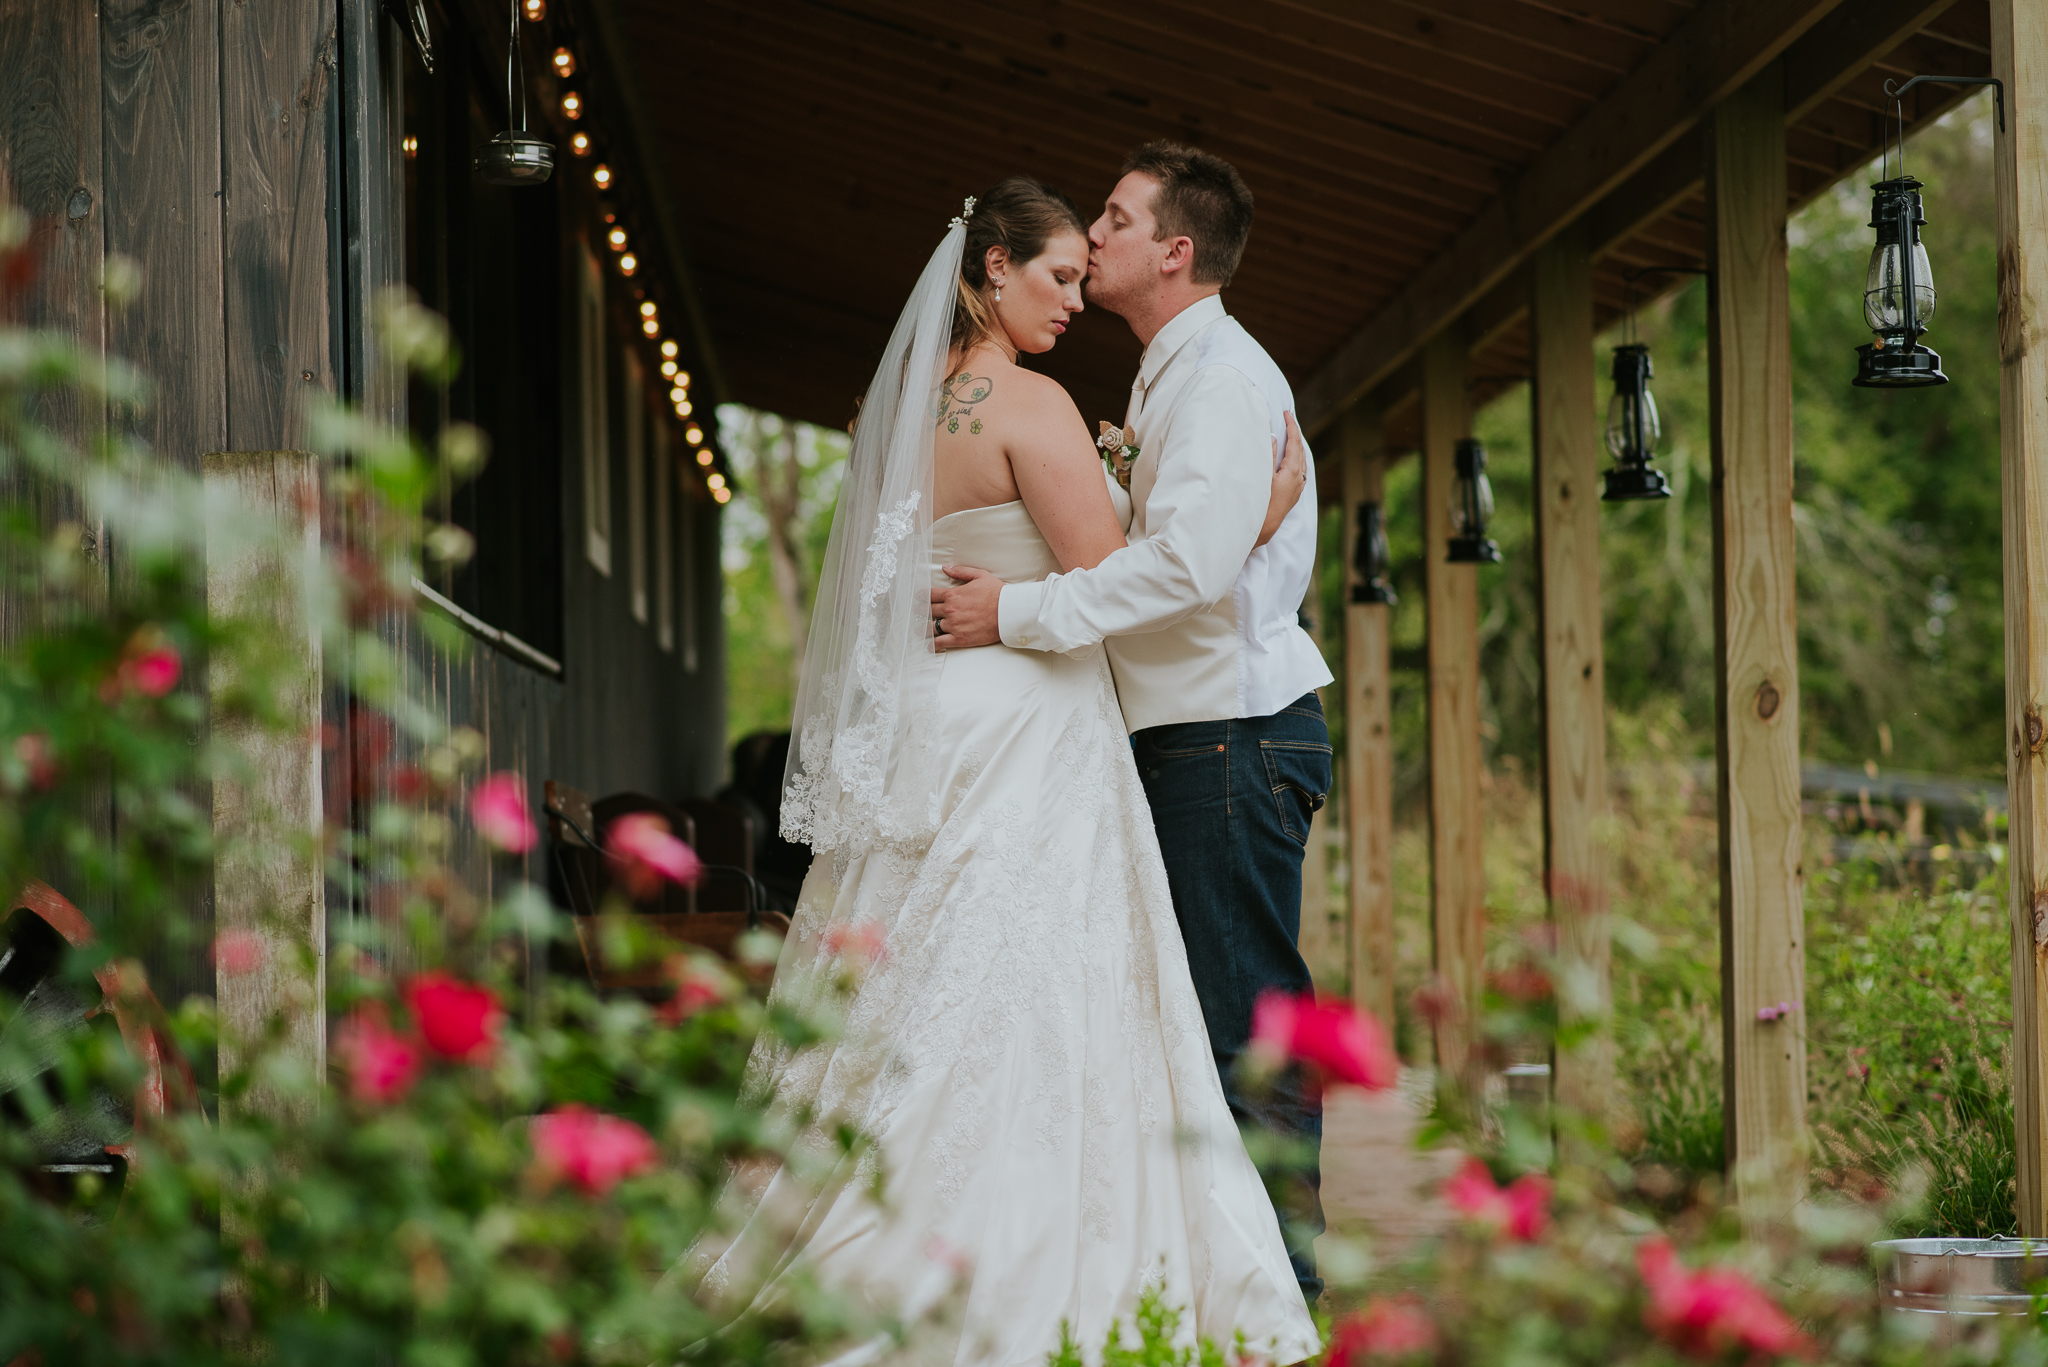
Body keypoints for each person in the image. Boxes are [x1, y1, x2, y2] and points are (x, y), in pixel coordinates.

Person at [689, 177, 1317, 1365]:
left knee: (906, 965)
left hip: (927, 721)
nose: (1074, 297)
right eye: (1058, 275)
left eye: (1087, 273)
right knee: (1034, 983)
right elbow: (1116, 576)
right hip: (1026, 723)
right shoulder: (1028, 406)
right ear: (991, 269)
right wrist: (1259, 507)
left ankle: (843, 1220)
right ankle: (1009, 1252)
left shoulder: (897, 404)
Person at [929, 143, 1334, 1303]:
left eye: (1111, 219)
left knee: (1240, 1037)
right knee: (1196, 1033)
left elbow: (1182, 573)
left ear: (1172, 250)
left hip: (1229, 734)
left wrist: (1013, 607)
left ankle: (1289, 1293)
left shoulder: (1213, 378)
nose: (1091, 238)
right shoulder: (1168, 374)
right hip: (1189, 731)